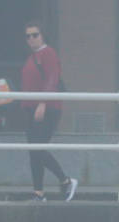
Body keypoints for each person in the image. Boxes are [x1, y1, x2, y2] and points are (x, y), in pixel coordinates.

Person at [21, 20, 77, 203]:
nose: (31, 39)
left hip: (47, 109)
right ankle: (39, 192)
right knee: (34, 151)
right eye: (28, 36)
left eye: (35, 34)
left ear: (43, 35)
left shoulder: (48, 53)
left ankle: (65, 180)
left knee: (38, 149)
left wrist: (43, 103)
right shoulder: (31, 58)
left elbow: (52, 79)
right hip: (32, 109)